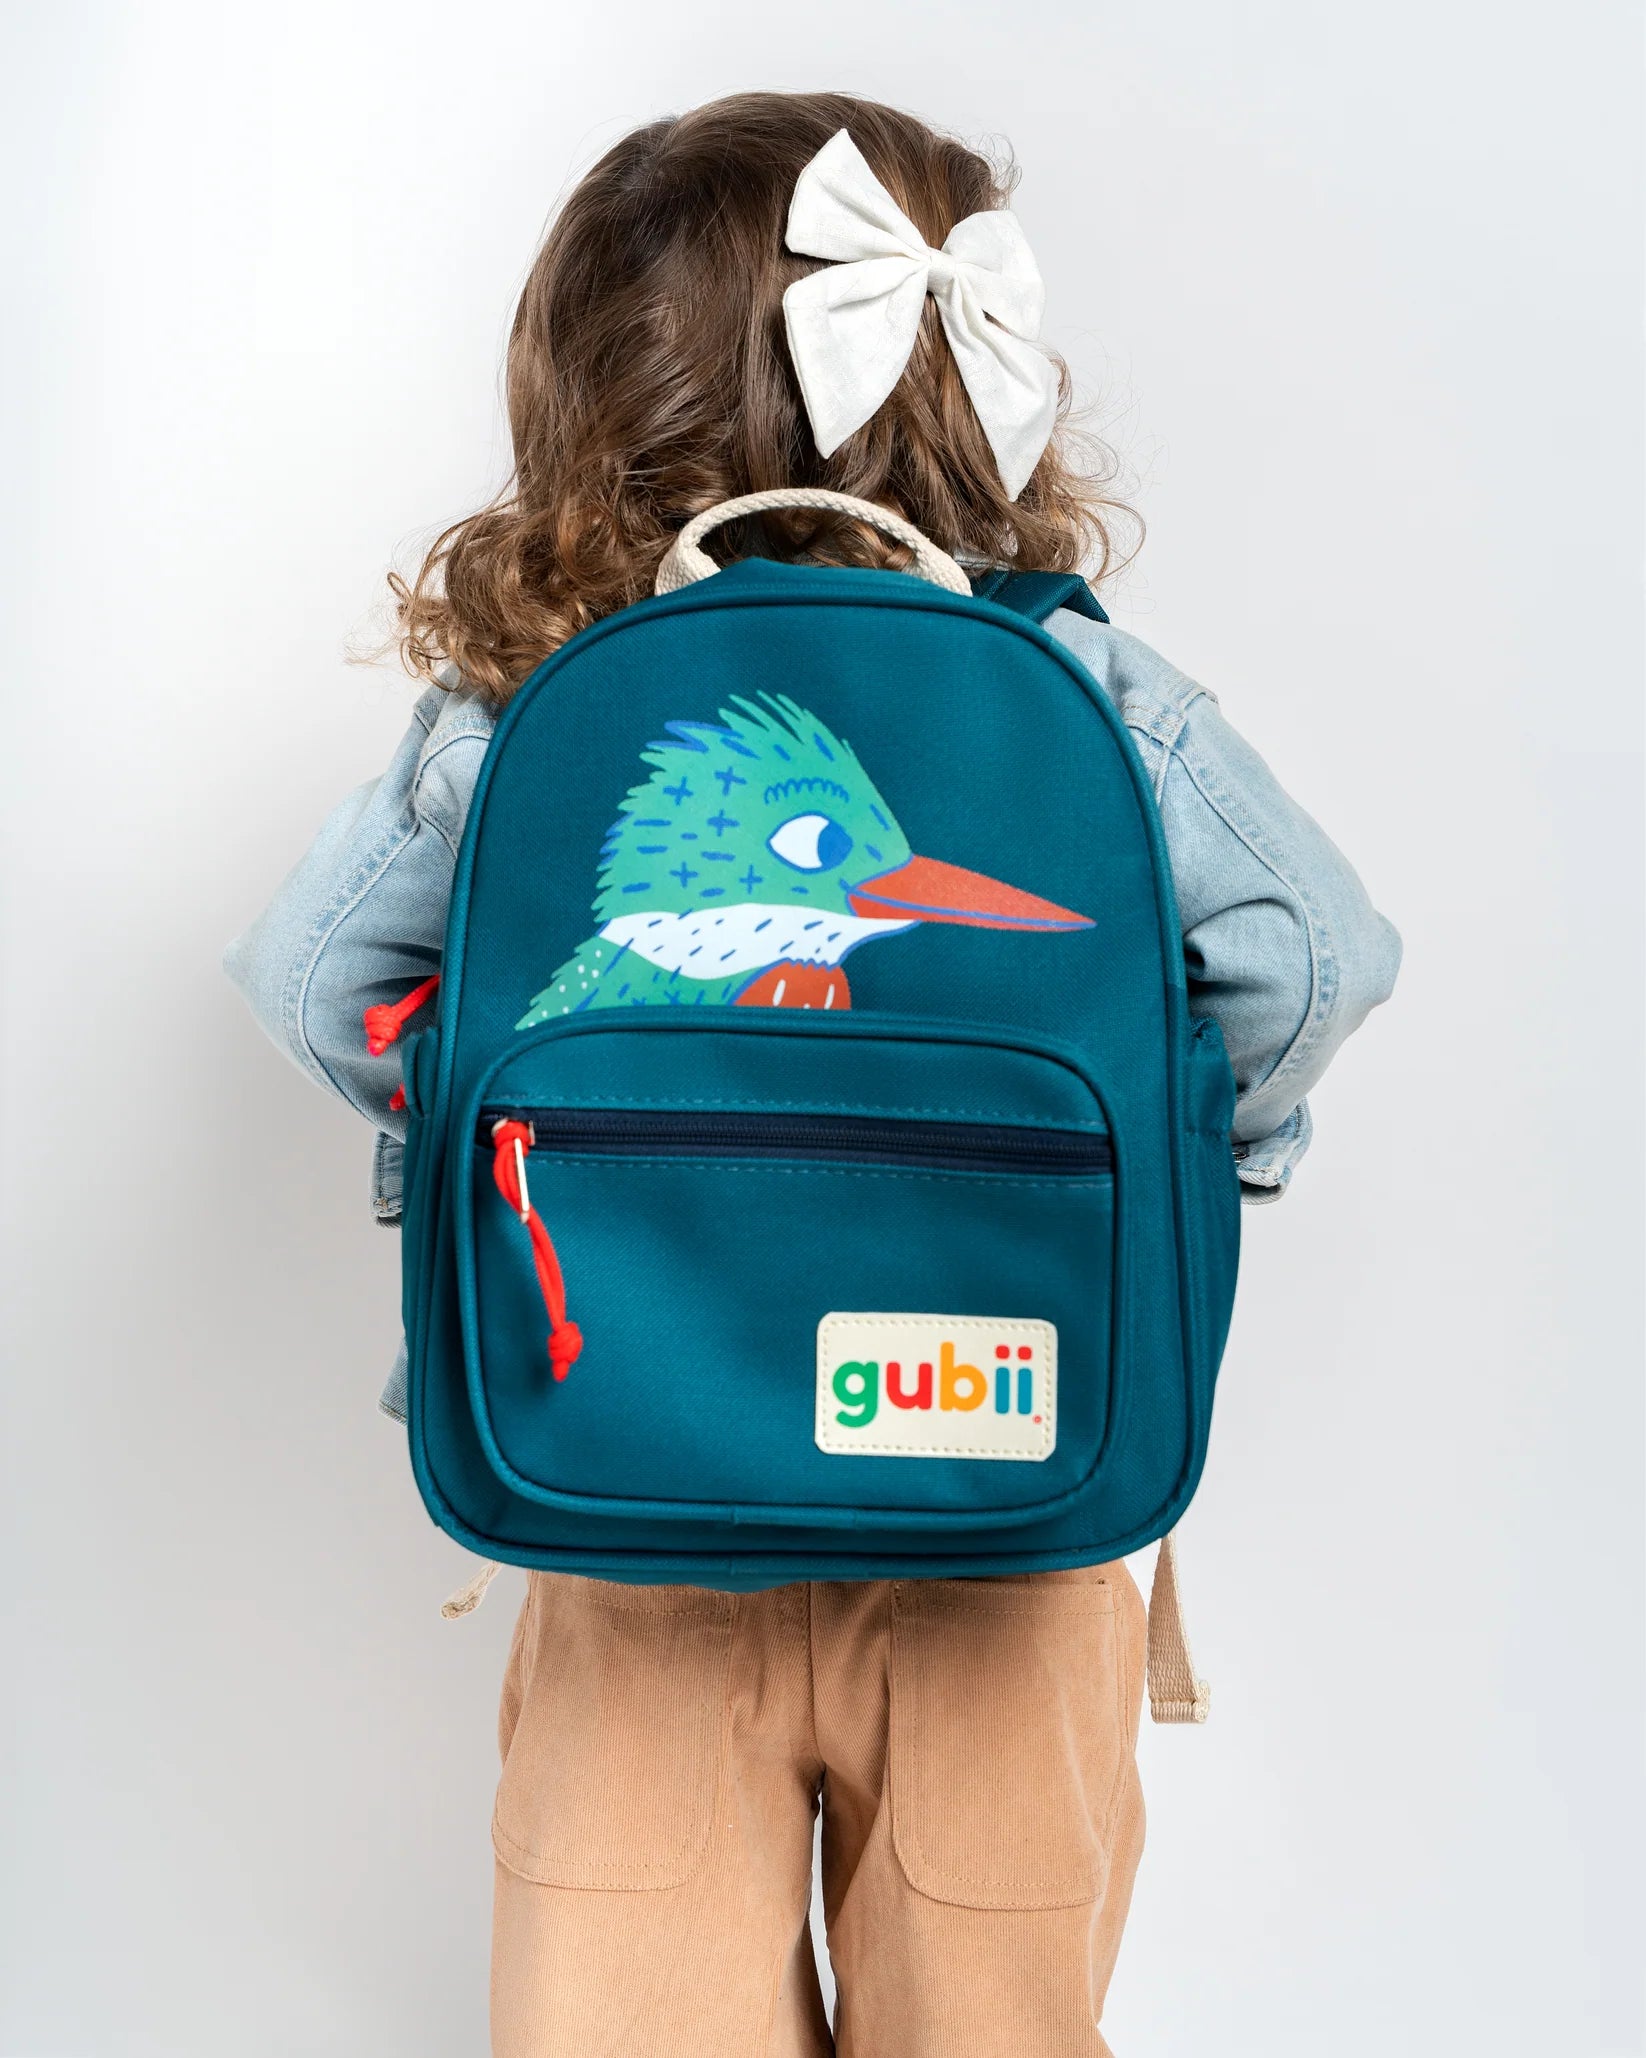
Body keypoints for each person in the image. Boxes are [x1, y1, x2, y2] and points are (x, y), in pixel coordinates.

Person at [226, 90, 1400, 2058]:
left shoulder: (532, 713)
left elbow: (314, 980)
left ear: (598, 407)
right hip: (1007, 1506)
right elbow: (1315, 964)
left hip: (630, 1495)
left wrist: (495, 1142)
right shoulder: (1085, 689)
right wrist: (1187, 1156)